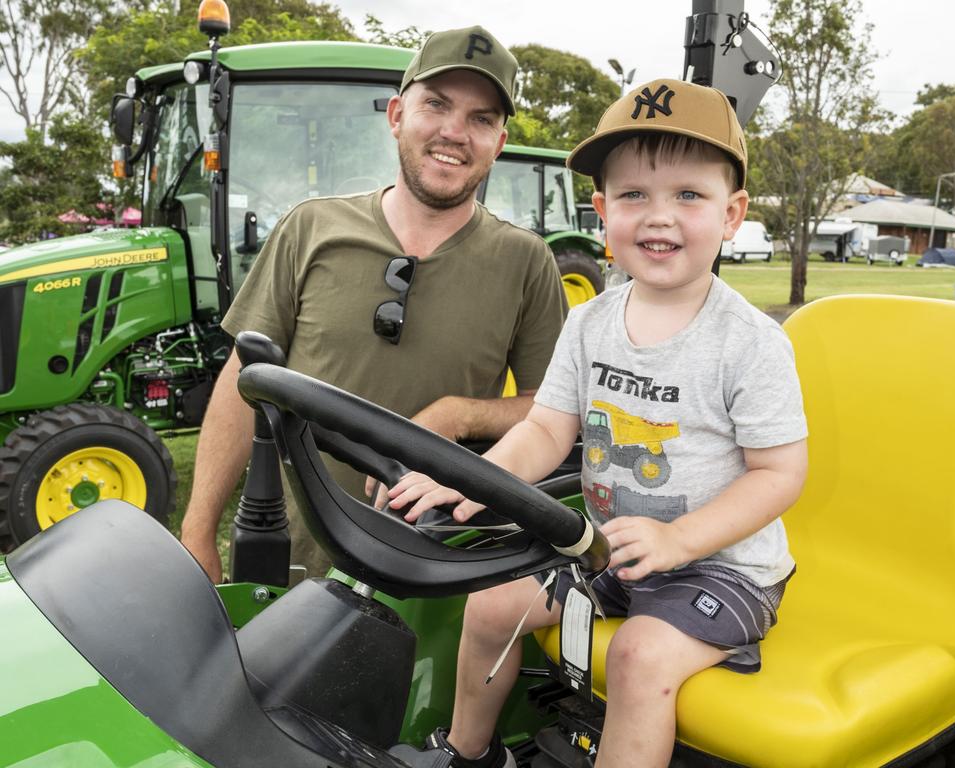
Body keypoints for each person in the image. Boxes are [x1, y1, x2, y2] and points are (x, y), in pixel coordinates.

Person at [386, 78, 808, 768]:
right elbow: (547, 431)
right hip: (612, 551)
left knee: (642, 655)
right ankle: (466, 754)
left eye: (688, 196)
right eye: (634, 195)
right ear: (602, 209)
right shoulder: (588, 325)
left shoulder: (751, 344)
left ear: (732, 215)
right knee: (492, 603)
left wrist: (679, 539)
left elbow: (780, 473)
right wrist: (475, 478)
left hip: (723, 570)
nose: (658, 217)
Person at [180, 26, 568, 583]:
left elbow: (549, 409)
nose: (454, 132)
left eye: (481, 118)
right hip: (299, 555)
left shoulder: (526, 261)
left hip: (439, 562)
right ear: (396, 116)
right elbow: (246, 378)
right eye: (436, 104)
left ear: (499, 143)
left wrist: (458, 416)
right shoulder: (310, 228)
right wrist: (197, 531)